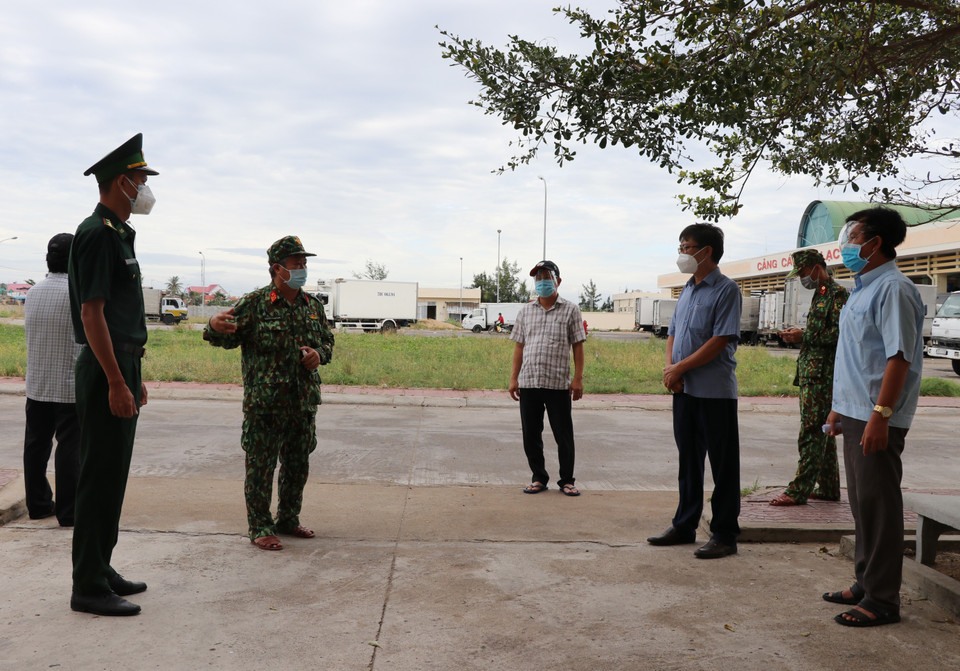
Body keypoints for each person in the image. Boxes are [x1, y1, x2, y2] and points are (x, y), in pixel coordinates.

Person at [68, 133, 158, 616]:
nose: (145, 188)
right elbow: (92, 314)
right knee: (98, 475)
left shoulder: (119, 233)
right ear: (121, 182)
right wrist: (116, 380)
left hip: (122, 362)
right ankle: (87, 585)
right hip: (106, 368)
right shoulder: (98, 233)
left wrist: (132, 372)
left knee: (113, 474)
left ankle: (101, 567)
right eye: (140, 179)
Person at [823, 207, 923, 628]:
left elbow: (898, 358)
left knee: (880, 505)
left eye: (853, 235)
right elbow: (855, 357)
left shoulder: (894, 290)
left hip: (877, 415)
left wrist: (881, 414)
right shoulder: (862, 289)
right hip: (854, 411)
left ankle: (882, 600)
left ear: (874, 242)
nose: (847, 244)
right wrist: (839, 406)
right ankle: (865, 581)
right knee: (863, 503)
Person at [205, 236, 335, 551]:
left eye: (305, 263)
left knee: (297, 465)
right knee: (261, 467)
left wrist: (318, 353)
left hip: (302, 403)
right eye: (297, 263)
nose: (303, 268)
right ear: (278, 268)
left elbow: (328, 343)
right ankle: (260, 526)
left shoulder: (313, 306)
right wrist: (212, 323)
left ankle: (288, 519)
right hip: (265, 406)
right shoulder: (255, 303)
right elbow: (220, 335)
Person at [648, 223, 742, 559]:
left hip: (714, 393)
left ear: (707, 252)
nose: (681, 254)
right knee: (689, 461)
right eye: (681, 246)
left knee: (723, 465)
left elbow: (719, 340)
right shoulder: (686, 290)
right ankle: (684, 524)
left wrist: (681, 367)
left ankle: (725, 534)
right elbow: (672, 333)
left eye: (687, 247)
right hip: (684, 390)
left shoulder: (726, 290)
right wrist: (671, 369)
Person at [770, 249, 848, 506]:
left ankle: (798, 490)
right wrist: (800, 333)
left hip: (823, 375)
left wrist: (804, 337)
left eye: (803, 272)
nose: (802, 278)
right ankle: (827, 487)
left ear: (816, 267)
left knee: (811, 432)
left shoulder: (838, 295)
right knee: (823, 431)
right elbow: (820, 331)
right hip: (811, 372)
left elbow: (839, 335)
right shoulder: (821, 293)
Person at [508, 260, 585, 497]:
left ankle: (567, 480)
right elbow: (519, 347)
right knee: (531, 433)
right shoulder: (525, 311)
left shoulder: (571, 310)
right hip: (529, 381)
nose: (542, 282)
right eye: (538, 278)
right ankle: (539, 477)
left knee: (564, 434)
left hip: (558, 383)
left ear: (558, 281)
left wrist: (578, 379)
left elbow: (578, 346)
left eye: (546, 277)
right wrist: (514, 379)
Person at [23, 233, 82, 527]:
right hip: (69, 386)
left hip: (37, 384)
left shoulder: (33, 293)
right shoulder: (78, 293)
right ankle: (69, 512)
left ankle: (37, 504)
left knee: (36, 445)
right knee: (69, 447)